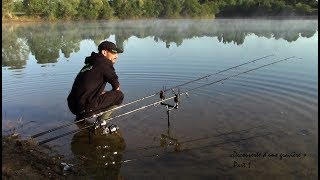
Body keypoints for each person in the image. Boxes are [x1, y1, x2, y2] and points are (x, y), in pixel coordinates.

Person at [67, 40, 124, 120]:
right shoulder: (105, 63)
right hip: (86, 107)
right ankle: (102, 121)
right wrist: (110, 94)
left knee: (93, 97)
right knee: (119, 95)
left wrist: (101, 94)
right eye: (114, 53)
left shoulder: (90, 63)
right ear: (104, 52)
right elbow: (116, 87)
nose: (116, 56)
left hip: (73, 106)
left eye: (117, 53)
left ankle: (80, 120)